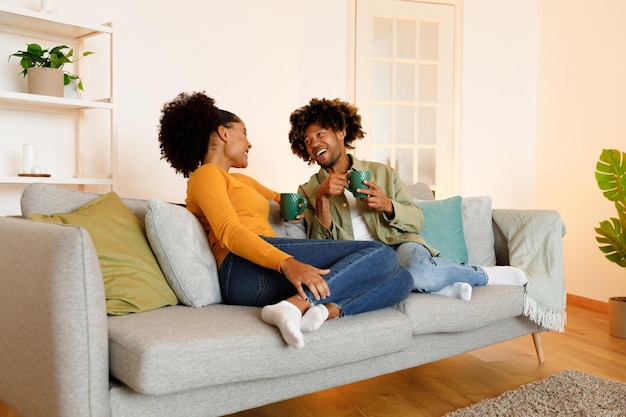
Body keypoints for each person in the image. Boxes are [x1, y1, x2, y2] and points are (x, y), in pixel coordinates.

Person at [157, 92, 413, 349]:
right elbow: (229, 232)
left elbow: (283, 199)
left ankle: (324, 311)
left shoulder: (240, 181)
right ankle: (296, 305)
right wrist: (287, 263)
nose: (249, 143)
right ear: (224, 134)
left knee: (403, 279)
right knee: (382, 254)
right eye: (244, 132)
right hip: (243, 269)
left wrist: (304, 203)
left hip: (263, 268)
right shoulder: (206, 175)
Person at [287, 97, 527, 301]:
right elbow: (320, 248)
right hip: (359, 257)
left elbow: (416, 221)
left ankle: (482, 274)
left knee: (417, 269)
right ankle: (442, 286)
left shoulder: (382, 172)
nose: (314, 143)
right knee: (380, 280)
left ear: (341, 132)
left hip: (399, 246)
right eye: (307, 141)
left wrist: (388, 206)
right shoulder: (309, 189)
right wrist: (322, 200)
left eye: (320, 134)